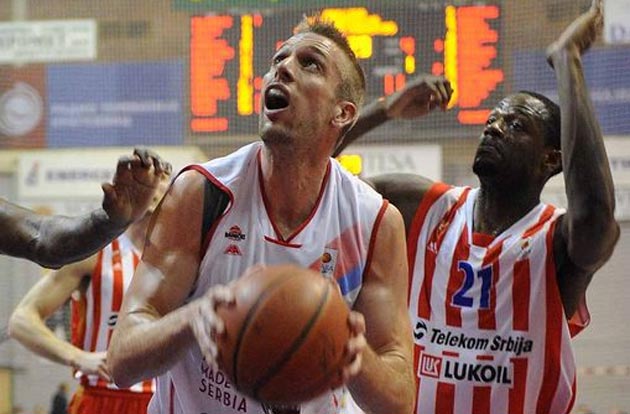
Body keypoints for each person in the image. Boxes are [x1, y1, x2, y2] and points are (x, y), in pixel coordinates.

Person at [107, 15, 415, 414]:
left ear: (342, 113)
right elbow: (122, 361)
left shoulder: (374, 222)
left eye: (310, 64)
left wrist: (351, 351)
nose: (282, 68)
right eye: (278, 60)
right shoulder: (203, 192)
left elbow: (400, 400)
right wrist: (195, 317)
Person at [334, 1, 619, 413]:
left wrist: (568, 59)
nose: (495, 128)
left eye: (516, 125)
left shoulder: (554, 241)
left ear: (551, 159)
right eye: (492, 121)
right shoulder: (424, 206)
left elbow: (595, 215)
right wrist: (385, 110)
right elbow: (317, 170)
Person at [8, 173, 170, 414]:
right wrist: (78, 357)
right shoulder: (96, 252)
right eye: (145, 176)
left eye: (162, 175)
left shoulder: (183, 259)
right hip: (102, 397)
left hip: (161, 399)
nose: (154, 184)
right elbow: (21, 321)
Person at [0, 147, 171, 269]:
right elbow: (29, 310)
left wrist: (111, 221)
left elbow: (43, 237)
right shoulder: (102, 258)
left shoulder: (174, 256)